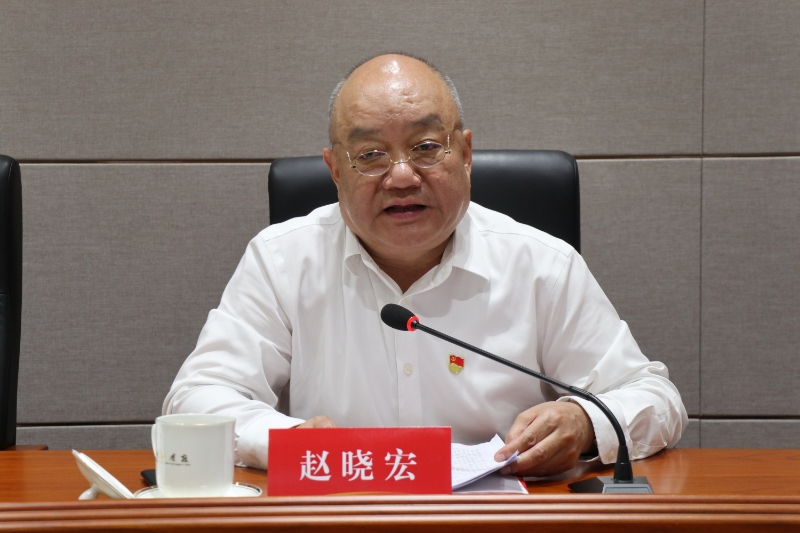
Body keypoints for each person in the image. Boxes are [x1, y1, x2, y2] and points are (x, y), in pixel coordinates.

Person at [164, 53, 687, 477]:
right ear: (335, 171)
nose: (401, 177)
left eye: (426, 147)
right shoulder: (282, 259)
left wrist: (585, 421)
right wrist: (287, 440)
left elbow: (654, 398)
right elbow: (195, 399)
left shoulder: (541, 265)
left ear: (466, 154)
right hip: (342, 515)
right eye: (370, 155)